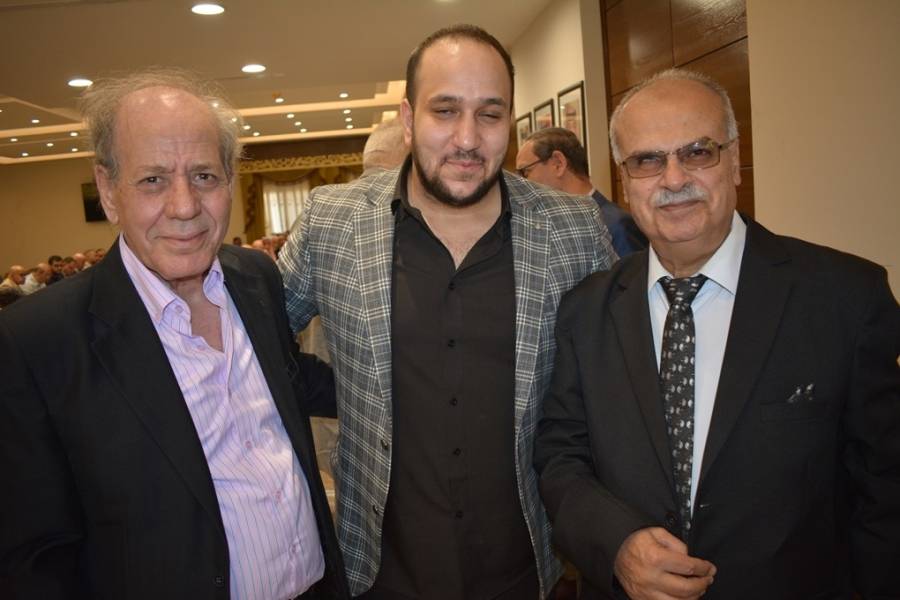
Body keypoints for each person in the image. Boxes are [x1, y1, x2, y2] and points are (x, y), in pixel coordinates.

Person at [534, 68, 900, 600]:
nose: (673, 179)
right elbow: (560, 457)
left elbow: (885, 488)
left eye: (697, 152)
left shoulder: (845, 299)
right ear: (624, 181)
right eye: (647, 160)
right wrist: (615, 544)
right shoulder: (585, 311)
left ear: (734, 161)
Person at [278, 24, 616, 599]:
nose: (467, 138)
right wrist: (342, 391)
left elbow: (617, 375)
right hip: (380, 573)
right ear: (409, 120)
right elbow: (257, 339)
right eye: (445, 110)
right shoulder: (332, 220)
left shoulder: (573, 229)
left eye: (490, 114)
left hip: (527, 570)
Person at [0, 68, 349, 600]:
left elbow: (289, 377)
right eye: (153, 180)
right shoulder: (35, 340)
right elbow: (34, 557)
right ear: (108, 190)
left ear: (229, 180)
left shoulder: (254, 277)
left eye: (204, 176)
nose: (185, 206)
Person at [516, 127, 646, 257]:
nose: (521, 183)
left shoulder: (617, 226)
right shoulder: (552, 226)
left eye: (525, 172)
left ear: (558, 164)